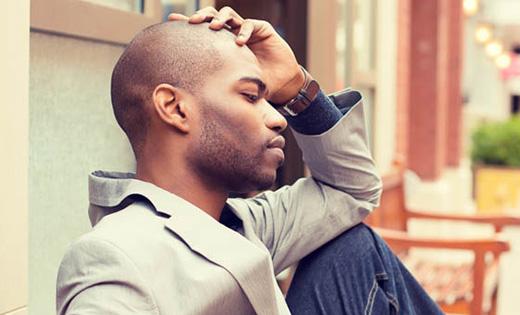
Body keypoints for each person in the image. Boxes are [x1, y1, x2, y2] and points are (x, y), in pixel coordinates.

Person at [55, 7, 443, 315]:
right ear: (174, 108)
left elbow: (352, 189)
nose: (278, 117)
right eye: (250, 96)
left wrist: (297, 86)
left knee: (354, 248)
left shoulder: (245, 224)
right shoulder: (113, 258)